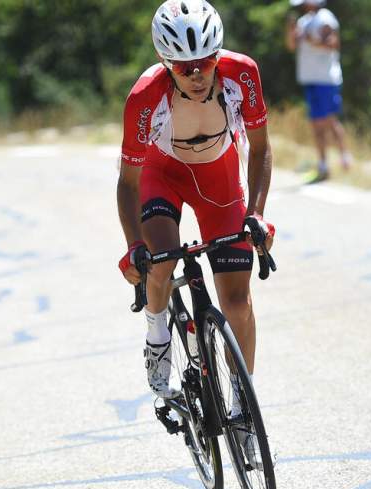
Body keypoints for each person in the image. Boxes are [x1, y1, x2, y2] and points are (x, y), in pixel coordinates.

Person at [116, 0, 275, 426]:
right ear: (165, 63)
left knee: (237, 301)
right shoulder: (144, 97)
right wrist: (134, 247)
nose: (198, 74)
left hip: (219, 181)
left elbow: (259, 148)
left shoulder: (242, 74)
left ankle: (244, 408)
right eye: (184, 67)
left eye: (206, 62)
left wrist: (256, 213)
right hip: (161, 174)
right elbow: (128, 183)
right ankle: (157, 339)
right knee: (161, 261)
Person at [285, 0, 351, 183]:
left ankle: (344, 157)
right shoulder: (303, 21)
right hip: (310, 78)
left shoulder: (326, 18)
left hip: (326, 79)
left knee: (329, 120)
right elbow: (292, 46)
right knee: (316, 123)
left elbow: (332, 44)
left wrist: (308, 39)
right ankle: (323, 164)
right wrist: (291, 31)